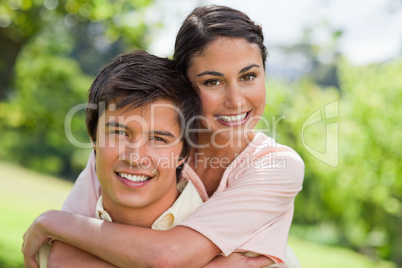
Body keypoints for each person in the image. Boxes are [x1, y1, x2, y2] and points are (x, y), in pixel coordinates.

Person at [23, 5, 304, 267]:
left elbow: (167, 256)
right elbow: (65, 253)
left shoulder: (274, 166)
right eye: (212, 81)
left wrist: (52, 222)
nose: (236, 100)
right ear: (184, 86)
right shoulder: (131, 148)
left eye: (248, 76)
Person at [36, 50, 205, 267]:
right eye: (119, 133)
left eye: (159, 139)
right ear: (93, 137)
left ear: (183, 153)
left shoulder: (225, 248)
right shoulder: (50, 245)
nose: (135, 158)